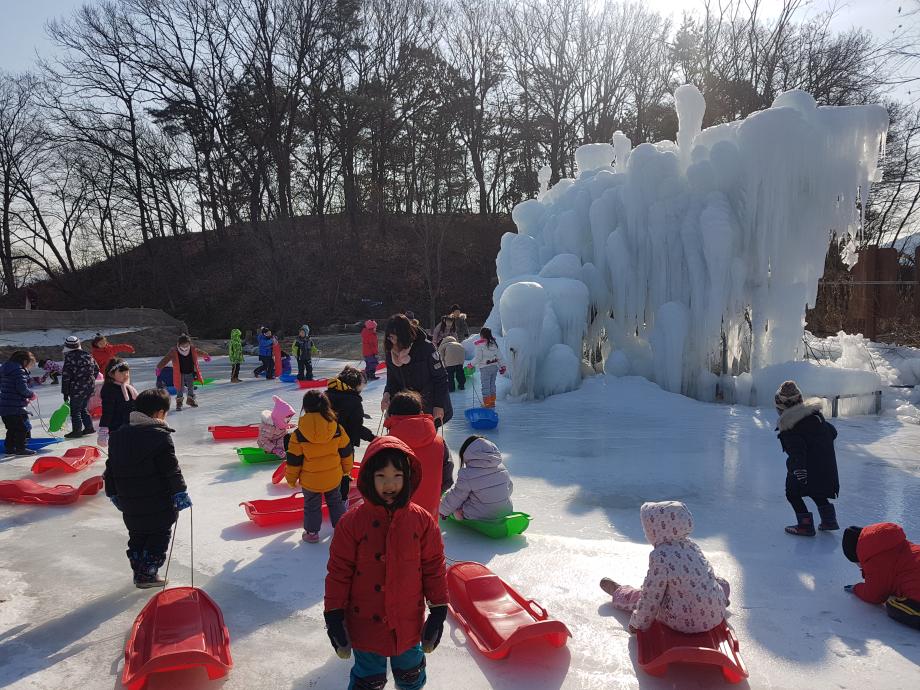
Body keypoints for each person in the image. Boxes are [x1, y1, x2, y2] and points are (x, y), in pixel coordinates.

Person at [324, 435, 449, 689]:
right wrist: (334, 615)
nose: (389, 484)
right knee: (368, 679)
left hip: (408, 624)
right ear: (369, 477)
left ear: (408, 478)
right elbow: (339, 572)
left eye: (397, 476)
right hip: (365, 623)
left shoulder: (422, 521)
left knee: (411, 674)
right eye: (381, 476)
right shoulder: (352, 523)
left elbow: (433, 566)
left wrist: (438, 609)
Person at [103, 388, 191, 588]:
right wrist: (180, 491)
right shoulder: (159, 436)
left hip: (129, 501)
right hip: (158, 500)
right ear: (160, 413)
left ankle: (139, 571)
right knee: (159, 535)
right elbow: (171, 469)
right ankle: (148, 573)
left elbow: (110, 468)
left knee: (137, 535)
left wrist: (112, 492)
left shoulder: (118, 436)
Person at [600, 501, 731, 634]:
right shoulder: (692, 547)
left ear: (655, 532)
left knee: (642, 595)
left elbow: (650, 597)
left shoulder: (660, 556)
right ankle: (718, 601)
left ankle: (620, 593)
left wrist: (638, 624)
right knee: (719, 583)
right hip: (716, 613)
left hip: (682, 621)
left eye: (647, 530)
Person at [285, 390, 353, 543]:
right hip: (333, 477)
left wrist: (291, 479)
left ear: (305, 407)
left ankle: (312, 533)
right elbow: (346, 451)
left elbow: (294, 460)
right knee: (335, 501)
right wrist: (346, 469)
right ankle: (342, 528)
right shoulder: (336, 429)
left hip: (310, 480)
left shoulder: (298, 434)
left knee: (311, 506)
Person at [774, 380, 840, 536]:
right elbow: (832, 432)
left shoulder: (789, 427)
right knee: (817, 491)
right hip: (824, 465)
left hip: (802, 468)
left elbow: (797, 450)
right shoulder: (815, 416)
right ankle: (829, 520)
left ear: (780, 408)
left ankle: (805, 525)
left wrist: (799, 469)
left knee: (792, 494)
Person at [385, 391, 453, 519]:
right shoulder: (439, 443)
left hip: (393, 517)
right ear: (421, 413)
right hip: (428, 514)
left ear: (391, 415)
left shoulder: (384, 445)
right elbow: (447, 477)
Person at [843, 523, 920, 630]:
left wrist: (856, 588)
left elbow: (874, 595)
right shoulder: (897, 544)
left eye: (857, 563)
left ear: (858, 555)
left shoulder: (876, 563)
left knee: (894, 605)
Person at [382, 314, 452, 425]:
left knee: (426, 433)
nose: (393, 342)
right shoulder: (391, 352)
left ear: (404, 335)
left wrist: (439, 405)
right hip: (405, 407)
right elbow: (392, 379)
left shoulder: (426, 348)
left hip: (429, 403)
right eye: (390, 337)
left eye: (395, 337)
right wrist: (387, 394)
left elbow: (441, 378)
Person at [325, 367, 375, 502]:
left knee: (328, 469)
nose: (363, 387)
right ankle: (342, 501)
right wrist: (372, 437)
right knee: (343, 472)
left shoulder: (327, 395)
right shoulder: (353, 401)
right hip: (344, 444)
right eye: (362, 384)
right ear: (355, 384)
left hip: (324, 442)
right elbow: (355, 427)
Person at [438, 435, 511, 522]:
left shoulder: (468, 474)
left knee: (459, 502)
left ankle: (459, 514)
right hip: (505, 510)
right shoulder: (502, 468)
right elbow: (509, 488)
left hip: (479, 515)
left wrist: (442, 510)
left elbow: (456, 496)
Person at [155, 334, 211, 411]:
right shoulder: (174, 351)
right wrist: (159, 367)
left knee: (191, 386)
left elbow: (200, 352)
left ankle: (190, 400)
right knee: (179, 387)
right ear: (179, 344)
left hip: (190, 371)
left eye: (186, 345)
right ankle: (179, 402)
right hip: (179, 373)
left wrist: (206, 356)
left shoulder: (192, 349)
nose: (185, 347)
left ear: (189, 343)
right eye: (183, 345)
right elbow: (166, 359)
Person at [61, 335, 99, 438]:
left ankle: (77, 431)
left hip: (77, 388)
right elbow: (96, 369)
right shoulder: (88, 355)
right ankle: (89, 427)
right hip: (89, 387)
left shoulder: (69, 357)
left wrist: (65, 392)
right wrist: (90, 380)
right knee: (83, 408)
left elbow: (66, 376)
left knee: (75, 410)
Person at [1, 351, 37, 456]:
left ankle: (9, 448)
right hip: (15, 407)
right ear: (24, 361)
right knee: (22, 428)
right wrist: (31, 395)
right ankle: (21, 448)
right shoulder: (19, 371)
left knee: (12, 428)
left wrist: (21, 398)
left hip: (4, 406)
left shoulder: (5, 369)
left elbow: (10, 388)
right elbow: (22, 388)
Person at [97, 358, 138, 447]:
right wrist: (103, 429)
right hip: (116, 427)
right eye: (122, 372)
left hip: (130, 425)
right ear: (111, 374)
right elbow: (107, 411)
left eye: (127, 372)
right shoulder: (109, 389)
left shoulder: (129, 387)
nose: (126, 375)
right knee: (118, 448)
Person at [471, 327, 504, 409]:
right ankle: (492, 402)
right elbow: (499, 356)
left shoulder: (480, 345)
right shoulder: (494, 343)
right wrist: (503, 366)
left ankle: (487, 404)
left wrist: (471, 364)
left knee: (485, 386)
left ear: (481, 335)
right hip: (494, 367)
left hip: (485, 368)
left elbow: (478, 358)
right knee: (492, 385)